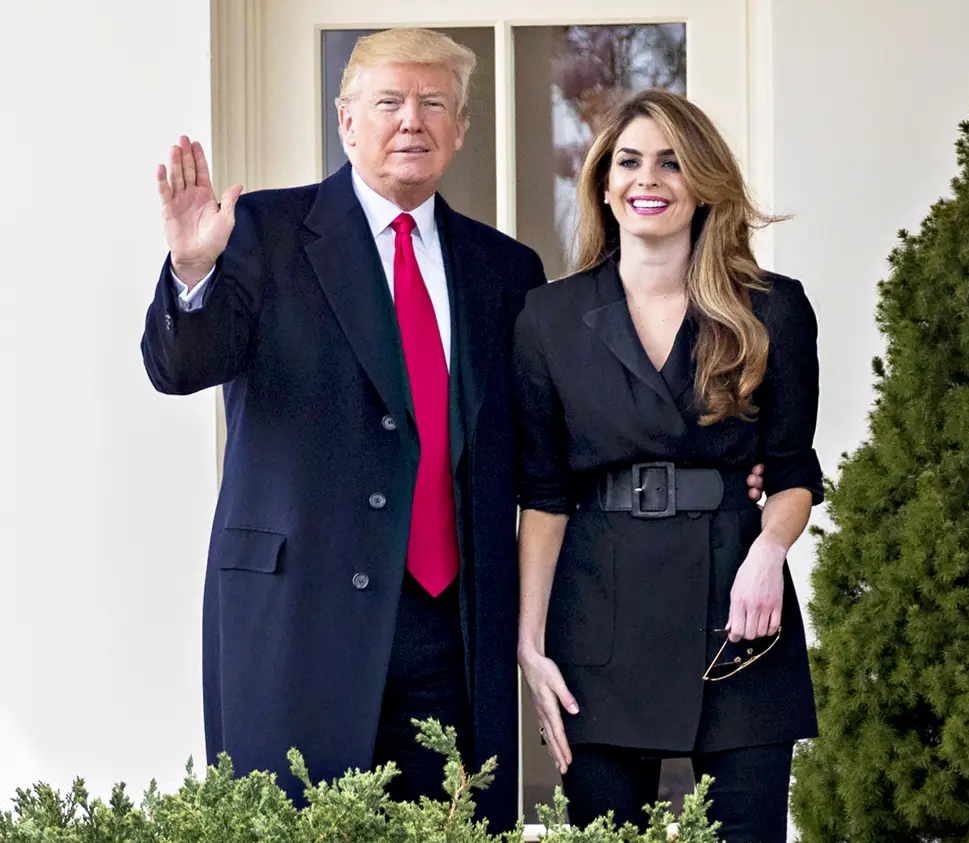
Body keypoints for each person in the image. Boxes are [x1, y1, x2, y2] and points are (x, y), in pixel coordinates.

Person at [140, 28, 550, 829]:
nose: (412, 120)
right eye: (390, 101)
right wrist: (191, 270)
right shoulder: (260, 230)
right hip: (301, 616)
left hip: (454, 631)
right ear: (346, 120)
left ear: (462, 127)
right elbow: (182, 367)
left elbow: (538, 442)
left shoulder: (506, 269)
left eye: (434, 103)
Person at [513, 88, 822, 843]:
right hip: (598, 615)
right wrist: (530, 644)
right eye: (629, 162)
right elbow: (545, 497)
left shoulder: (771, 308)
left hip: (738, 608)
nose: (647, 179)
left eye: (671, 163)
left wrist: (768, 551)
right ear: (603, 184)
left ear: (703, 184)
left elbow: (791, 472)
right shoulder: (549, 317)